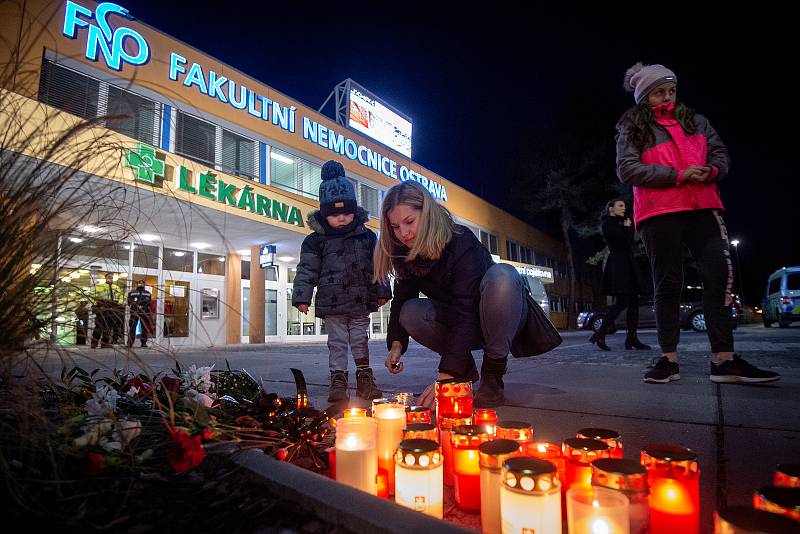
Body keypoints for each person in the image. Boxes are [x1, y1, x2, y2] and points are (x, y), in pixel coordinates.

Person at [616, 62, 779, 384]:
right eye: (659, 92)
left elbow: (720, 155)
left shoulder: (697, 122)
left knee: (718, 277)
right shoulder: (633, 128)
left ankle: (724, 359)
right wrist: (676, 175)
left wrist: (712, 171)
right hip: (659, 212)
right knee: (668, 283)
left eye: (671, 90)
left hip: (703, 206)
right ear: (644, 96)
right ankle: (668, 359)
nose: (667, 97)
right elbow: (627, 168)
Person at [375, 181, 532, 409]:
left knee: (503, 277)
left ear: (426, 212)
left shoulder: (460, 241)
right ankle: (464, 372)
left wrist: (445, 374)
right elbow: (401, 300)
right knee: (410, 312)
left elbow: (466, 309)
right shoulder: (405, 252)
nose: (404, 233)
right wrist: (396, 344)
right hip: (461, 323)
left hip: (498, 318)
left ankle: (492, 376)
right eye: (395, 227)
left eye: (409, 222)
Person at [292, 160, 392, 403]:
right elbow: (307, 269)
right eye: (335, 214)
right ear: (325, 214)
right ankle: (338, 379)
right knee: (336, 342)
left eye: (347, 212)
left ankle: (364, 378)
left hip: (359, 301)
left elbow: (378, 265)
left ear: (355, 211)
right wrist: (302, 296)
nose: (342, 219)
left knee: (360, 338)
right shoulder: (316, 240)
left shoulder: (367, 236)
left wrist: (382, 290)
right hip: (332, 302)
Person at [589, 199, 651, 351]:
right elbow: (625, 241)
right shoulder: (607, 223)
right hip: (618, 265)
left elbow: (631, 242)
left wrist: (628, 227)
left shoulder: (622, 222)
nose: (624, 208)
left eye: (624, 206)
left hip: (629, 264)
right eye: (620, 206)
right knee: (623, 301)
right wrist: (628, 228)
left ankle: (632, 339)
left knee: (634, 302)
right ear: (611, 208)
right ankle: (600, 333)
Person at [91, 273, 124, 348]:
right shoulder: (99, 286)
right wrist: (99, 304)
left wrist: (119, 303)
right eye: (109, 277)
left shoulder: (116, 287)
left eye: (112, 277)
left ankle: (105, 343)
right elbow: (94, 296)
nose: (110, 279)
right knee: (99, 326)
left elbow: (121, 297)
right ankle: (94, 343)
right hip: (102, 308)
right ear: (105, 278)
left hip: (112, 309)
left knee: (108, 327)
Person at [127, 279, 152, 348]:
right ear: (137, 284)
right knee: (132, 328)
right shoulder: (132, 293)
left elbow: (149, 303)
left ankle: (143, 343)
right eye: (139, 283)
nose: (141, 284)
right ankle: (130, 343)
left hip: (144, 312)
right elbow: (129, 303)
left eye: (142, 283)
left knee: (144, 328)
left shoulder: (148, 293)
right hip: (134, 312)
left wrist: (143, 306)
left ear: (144, 285)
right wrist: (136, 306)